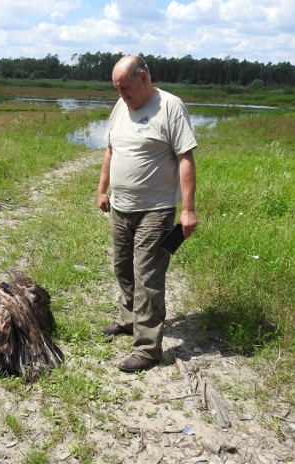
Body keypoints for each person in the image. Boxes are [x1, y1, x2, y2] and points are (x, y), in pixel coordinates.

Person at [97, 55, 198, 372]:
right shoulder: (120, 107)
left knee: (148, 277)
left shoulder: (170, 106)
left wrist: (188, 210)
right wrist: (103, 190)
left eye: (125, 87)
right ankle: (129, 320)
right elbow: (111, 150)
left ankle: (148, 348)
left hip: (156, 210)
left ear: (143, 77)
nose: (121, 95)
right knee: (122, 267)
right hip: (121, 206)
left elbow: (186, 158)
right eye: (117, 89)